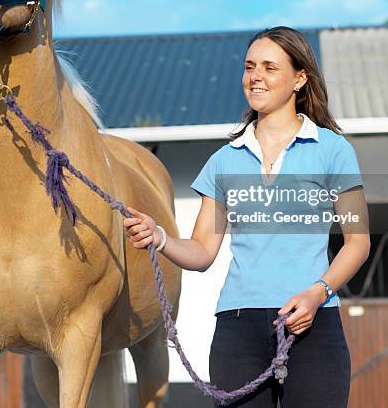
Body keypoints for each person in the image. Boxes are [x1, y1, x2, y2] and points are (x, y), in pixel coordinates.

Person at [124, 26, 370, 407]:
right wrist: (160, 238)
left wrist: (317, 293)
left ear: (299, 79)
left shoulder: (333, 151)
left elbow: (358, 242)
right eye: (250, 66)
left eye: (270, 67)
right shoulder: (225, 160)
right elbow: (203, 251)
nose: (255, 76)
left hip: (313, 323)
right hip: (238, 328)